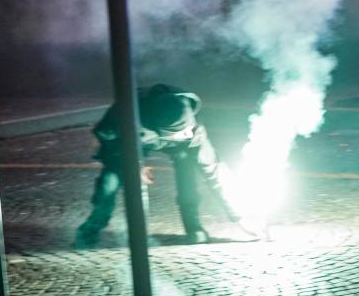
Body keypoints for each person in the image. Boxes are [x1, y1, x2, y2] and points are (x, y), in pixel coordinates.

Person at [74, 85, 239, 248]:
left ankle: (194, 227)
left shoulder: (192, 127)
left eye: (188, 129)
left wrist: (238, 216)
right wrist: (135, 165)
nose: (188, 134)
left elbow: (213, 169)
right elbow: (108, 143)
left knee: (187, 172)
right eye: (181, 132)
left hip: (172, 145)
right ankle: (91, 228)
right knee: (108, 184)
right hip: (130, 142)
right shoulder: (126, 114)